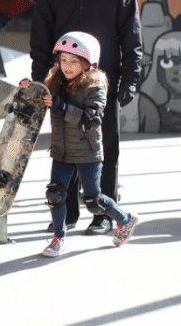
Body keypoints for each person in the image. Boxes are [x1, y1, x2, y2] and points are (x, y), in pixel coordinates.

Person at [30, 0, 142, 235]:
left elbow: (131, 34)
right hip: (63, 79)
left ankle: (103, 213)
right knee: (68, 142)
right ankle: (69, 212)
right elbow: (41, 33)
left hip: (101, 83)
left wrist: (131, 78)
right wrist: (42, 79)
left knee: (104, 145)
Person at [35, 31, 139, 257]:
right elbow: (42, 98)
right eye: (63, 60)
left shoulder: (95, 85)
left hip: (87, 151)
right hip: (62, 150)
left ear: (87, 63)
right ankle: (58, 239)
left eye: (74, 61)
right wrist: (30, 89)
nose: (67, 66)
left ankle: (125, 219)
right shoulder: (56, 81)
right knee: (55, 194)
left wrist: (60, 106)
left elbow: (92, 119)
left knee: (93, 200)